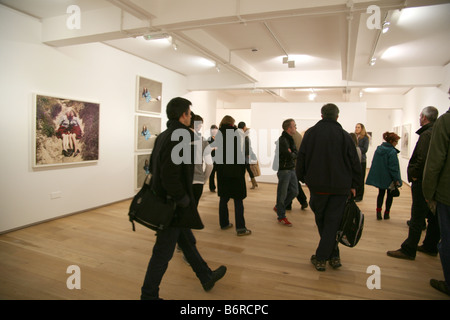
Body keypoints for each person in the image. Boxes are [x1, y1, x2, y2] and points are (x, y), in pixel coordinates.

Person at [140, 97, 226, 300]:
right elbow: (170, 174)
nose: (190, 117)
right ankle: (148, 295)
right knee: (163, 252)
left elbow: (156, 167)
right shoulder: (180, 136)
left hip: (170, 202)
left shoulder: (164, 135)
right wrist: (182, 199)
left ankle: (206, 276)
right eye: (189, 113)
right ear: (183, 115)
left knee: (186, 241)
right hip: (173, 205)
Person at [296, 103, 361, 271]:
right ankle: (334, 255)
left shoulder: (310, 133)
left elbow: (301, 157)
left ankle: (321, 257)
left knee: (323, 220)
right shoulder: (345, 136)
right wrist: (355, 185)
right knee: (332, 221)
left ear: (322, 115)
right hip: (340, 187)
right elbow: (355, 162)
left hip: (317, 186)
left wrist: (302, 177)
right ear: (337, 117)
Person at [387, 107, 440, 261]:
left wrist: (415, 176)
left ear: (423, 117)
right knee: (432, 215)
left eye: (420, 116)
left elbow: (422, 159)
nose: (419, 118)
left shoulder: (426, 134)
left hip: (422, 181)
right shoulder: (436, 131)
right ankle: (430, 245)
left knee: (417, 216)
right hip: (431, 181)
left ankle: (409, 249)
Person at [423, 101, 450, 296]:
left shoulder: (445, 122)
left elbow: (434, 162)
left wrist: (428, 193)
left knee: (447, 241)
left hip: (447, 194)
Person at [215, 116, 251, 236]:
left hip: (223, 172)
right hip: (235, 172)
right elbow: (239, 154)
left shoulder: (219, 134)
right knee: (238, 200)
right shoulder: (235, 134)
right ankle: (240, 228)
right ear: (232, 123)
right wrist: (242, 169)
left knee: (223, 199)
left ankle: (224, 223)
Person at [366, 132, 402, 220]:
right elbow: (393, 168)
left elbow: (375, 163)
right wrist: (397, 179)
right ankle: (386, 213)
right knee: (390, 196)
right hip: (389, 178)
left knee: (381, 194)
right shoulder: (392, 152)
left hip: (381, 177)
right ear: (391, 141)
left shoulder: (379, 149)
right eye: (396, 141)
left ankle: (378, 213)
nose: (396, 143)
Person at [273, 119, 299, 227]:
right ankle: (281, 216)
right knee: (282, 194)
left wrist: (293, 153)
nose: (296, 128)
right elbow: (291, 155)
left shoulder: (290, 139)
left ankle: (279, 207)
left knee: (294, 191)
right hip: (284, 170)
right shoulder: (283, 140)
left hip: (291, 169)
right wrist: (292, 153)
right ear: (289, 128)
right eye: (294, 126)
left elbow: (295, 153)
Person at [191, 114, 213, 206]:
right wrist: (203, 180)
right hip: (197, 181)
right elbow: (210, 165)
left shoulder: (177, 138)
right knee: (193, 210)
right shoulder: (203, 140)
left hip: (182, 181)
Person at [286, 130, 308, 211]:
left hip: (292, 164)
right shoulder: (298, 136)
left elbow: (289, 151)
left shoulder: (290, 137)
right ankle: (303, 201)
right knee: (294, 184)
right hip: (296, 164)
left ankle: (288, 204)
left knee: (290, 185)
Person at [237, 122, 258, 189]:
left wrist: (249, 154)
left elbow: (247, 147)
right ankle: (254, 183)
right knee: (247, 169)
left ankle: (253, 183)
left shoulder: (244, 137)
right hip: (245, 155)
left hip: (245, 156)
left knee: (246, 169)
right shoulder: (244, 137)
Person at [355, 123, 370, 202]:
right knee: (355, 178)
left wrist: (356, 149)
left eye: (358, 127)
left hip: (362, 160)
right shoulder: (354, 136)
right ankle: (354, 194)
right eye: (356, 127)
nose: (357, 128)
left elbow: (365, 149)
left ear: (362, 128)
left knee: (361, 179)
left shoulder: (365, 138)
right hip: (354, 160)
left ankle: (359, 196)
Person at [208, 125, 219, 192]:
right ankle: (212, 187)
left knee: (219, 174)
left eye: (216, 129)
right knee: (212, 174)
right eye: (213, 129)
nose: (214, 131)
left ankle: (220, 187)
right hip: (211, 158)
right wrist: (214, 148)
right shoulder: (209, 139)